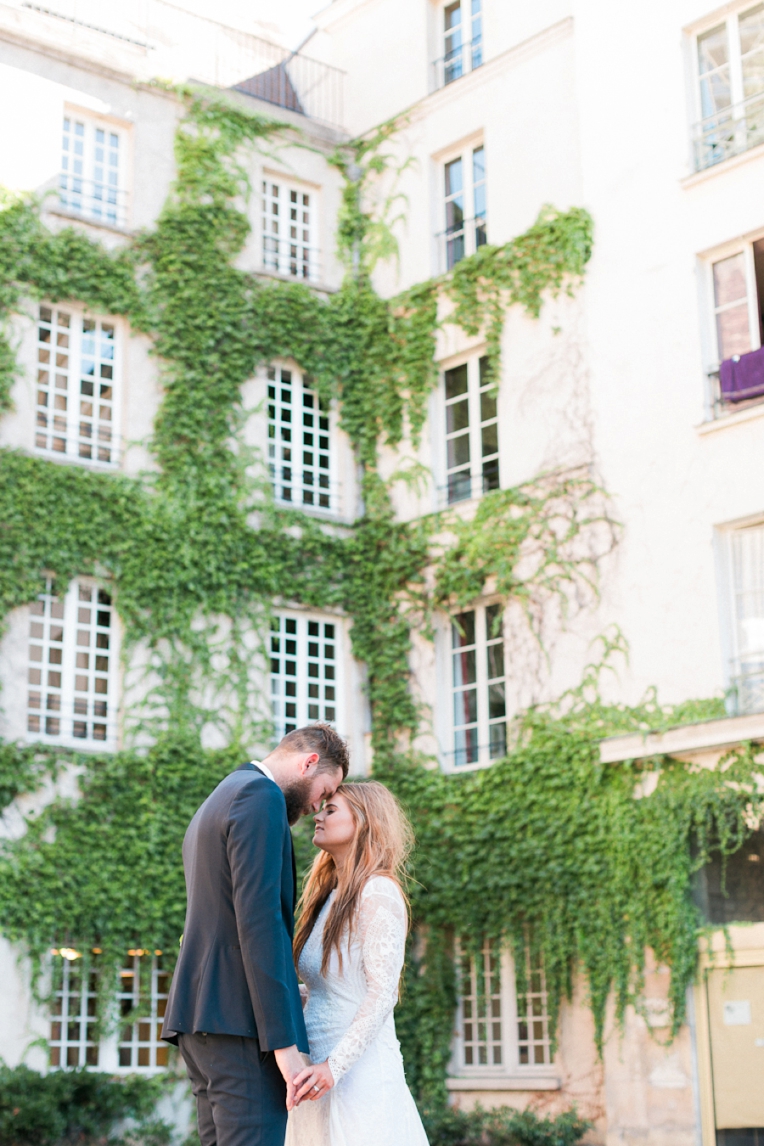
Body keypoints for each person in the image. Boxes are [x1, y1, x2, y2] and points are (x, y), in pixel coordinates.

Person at [162, 724, 350, 1146]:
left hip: (202, 1020)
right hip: (241, 1027)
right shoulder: (260, 798)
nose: (317, 805)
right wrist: (284, 1047)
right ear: (309, 762)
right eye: (325, 791)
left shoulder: (225, 792)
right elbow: (260, 924)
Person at [285, 781, 430, 1146]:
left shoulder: (377, 891)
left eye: (331, 810)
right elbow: (327, 991)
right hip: (314, 1067)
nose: (318, 815)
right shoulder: (328, 896)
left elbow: (382, 994)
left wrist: (334, 1068)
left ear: (364, 823)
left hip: (357, 1075)